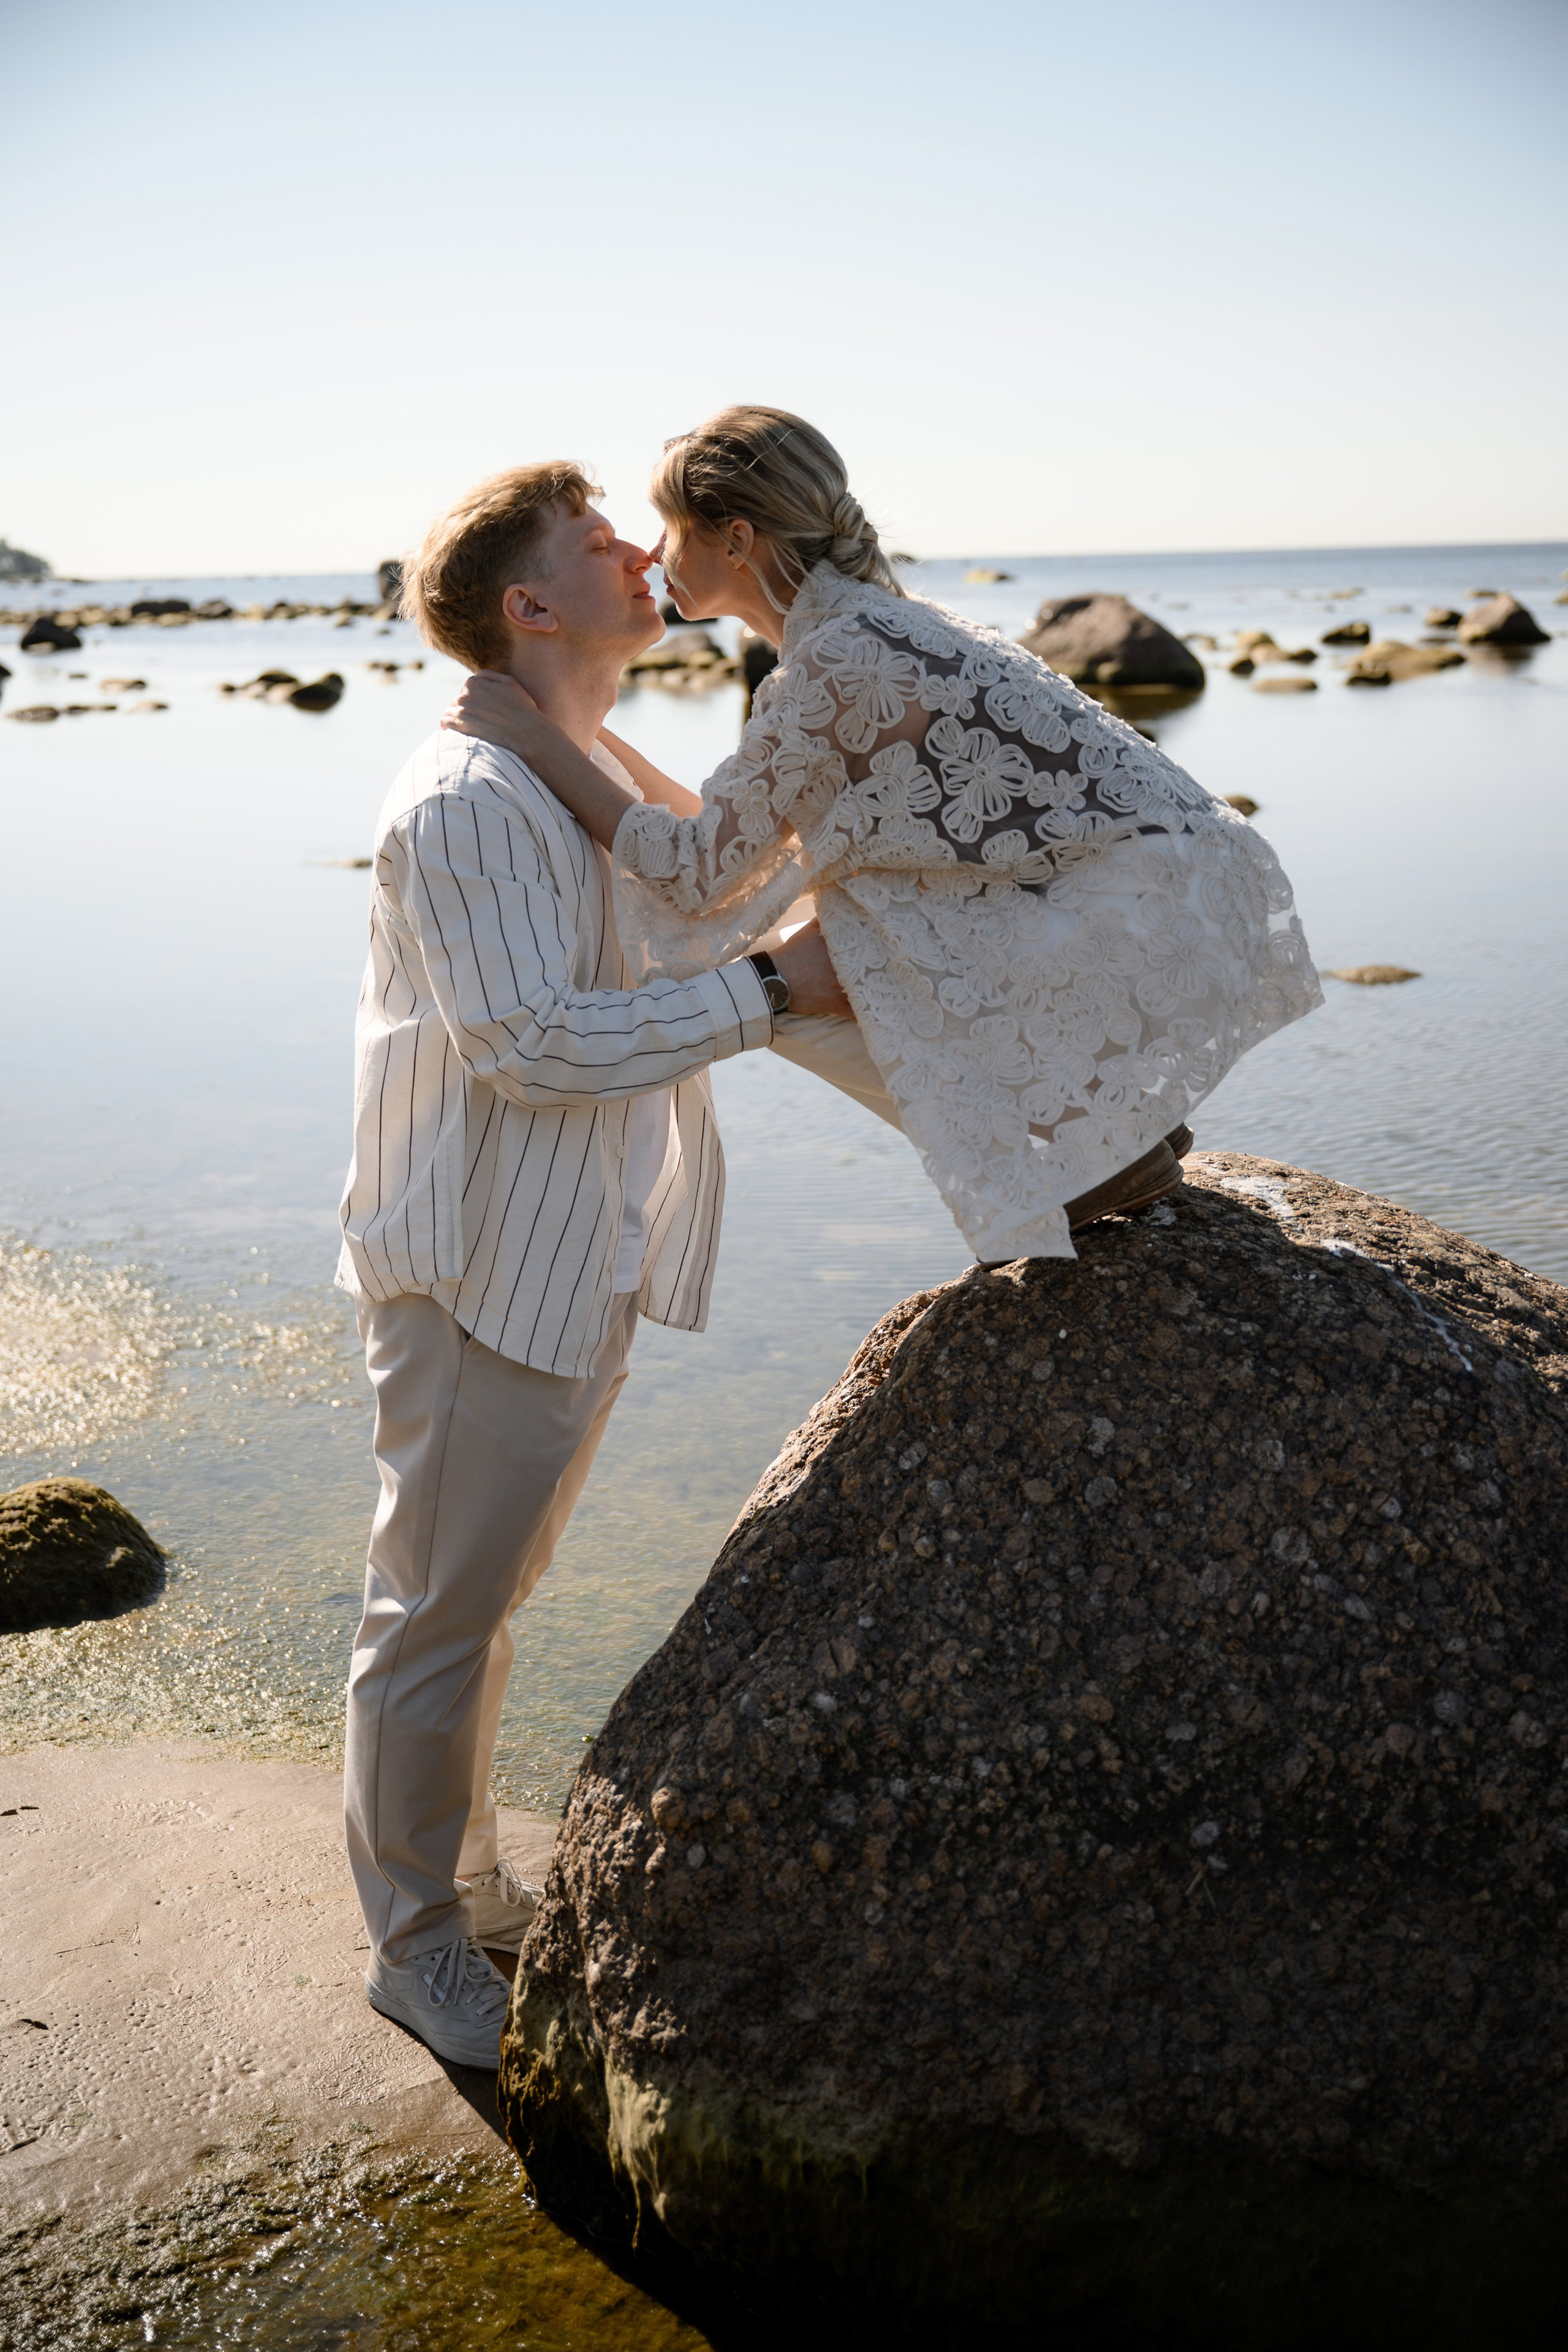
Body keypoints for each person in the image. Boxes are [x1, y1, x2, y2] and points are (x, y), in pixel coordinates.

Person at [336, 461, 846, 2067]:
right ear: (529, 605)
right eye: (602, 542)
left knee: (481, 1599)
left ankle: (465, 1889)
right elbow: (531, 1045)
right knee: (432, 1609)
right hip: (479, 1262)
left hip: (570, 1252)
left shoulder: (563, 768)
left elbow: (692, 919)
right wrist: (780, 993)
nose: (648, 550)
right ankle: (419, 1946)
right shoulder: (471, 799)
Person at [445, 407, 1323, 1267]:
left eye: (668, 529)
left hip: (1133, 922)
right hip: (1163, 897)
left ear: (737, 540)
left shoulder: (838, 662)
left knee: (773, 953)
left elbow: (695, 874)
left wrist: (533, 743)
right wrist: (580, 742)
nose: (650, 554)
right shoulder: (863, 625)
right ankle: (1105, 1116)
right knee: (831, 886)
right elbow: (748, 841)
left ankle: (1083, 1150)